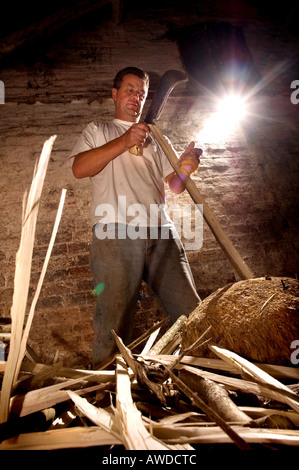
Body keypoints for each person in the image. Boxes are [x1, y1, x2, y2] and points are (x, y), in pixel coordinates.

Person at [70, 66, 202, 368]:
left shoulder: (156, 137)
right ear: (114, 94)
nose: (136, 97)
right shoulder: (98, 130)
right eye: (129, 90)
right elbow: (79, 169)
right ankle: (107, 395)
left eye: (141, 93)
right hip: (115, 232)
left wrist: (184, 169)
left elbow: (172, 188)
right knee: (114, 321)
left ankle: (202, 376)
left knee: (190, 311)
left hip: (162, 233)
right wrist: (124, 141)